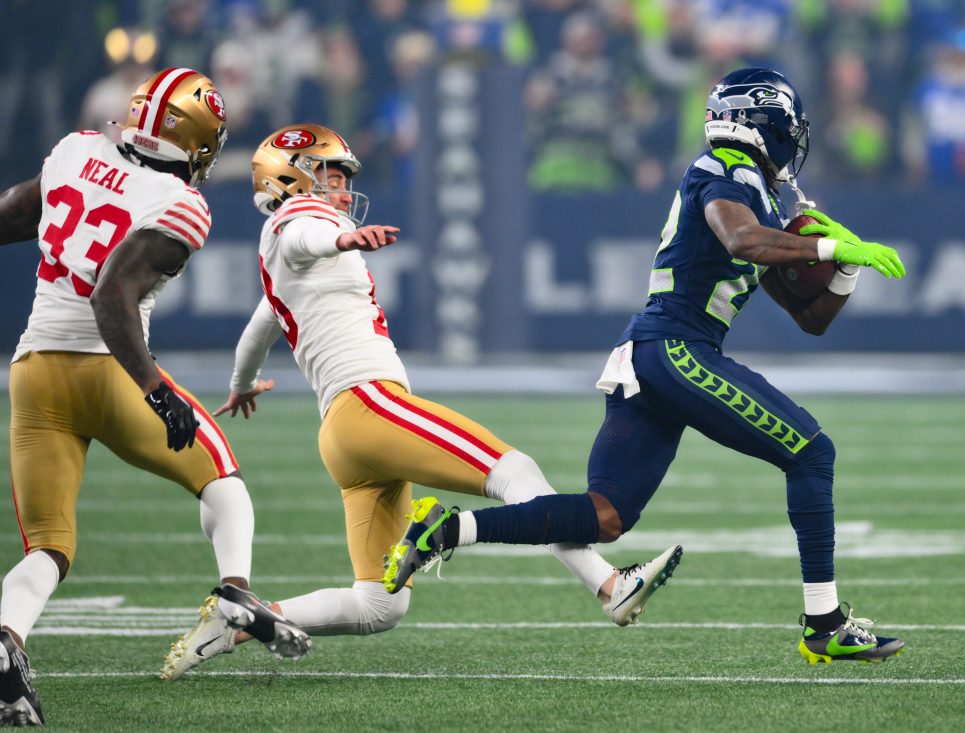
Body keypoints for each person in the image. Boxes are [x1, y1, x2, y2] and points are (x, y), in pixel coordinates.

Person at [387, 67, 909, 665]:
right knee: (812, 453)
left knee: (604, 517)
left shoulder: (753, 191)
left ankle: (446, 531)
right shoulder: (725, 168)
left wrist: (844, 268)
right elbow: (742, 241)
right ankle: (825, 624)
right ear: (763, 123)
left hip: (654, 356)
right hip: (675, 349)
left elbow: (809, 317)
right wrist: (828, 247)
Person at [158, 123, 681, 680]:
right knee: (514, 470)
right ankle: (608, 584)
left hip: (344, 435)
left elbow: (259, 327)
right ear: (293, 180)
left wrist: (242, 383)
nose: (340, 190)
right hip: (370, 405)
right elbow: (299, 235)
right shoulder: (300, 224)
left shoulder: (284, 262)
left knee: (379, 605)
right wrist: (339, 239)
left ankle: (241, 620)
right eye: (329, 175)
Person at [0, 67, 311, 725]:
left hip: (32, 372)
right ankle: (235, 593)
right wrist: (154, 388)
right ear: (198, 142)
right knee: (220, 477)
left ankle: (6, 640)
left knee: (48, 546)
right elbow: (110, 294)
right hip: (109, 372)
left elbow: (11, 216)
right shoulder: (181, 203)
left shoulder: (75, 149)